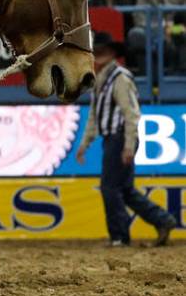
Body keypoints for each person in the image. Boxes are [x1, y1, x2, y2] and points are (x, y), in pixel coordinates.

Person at [76, 33, 177, 247]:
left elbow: (131, 113)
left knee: (110, 188)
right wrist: (85, 143)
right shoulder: (99, 79)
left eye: (103, 50)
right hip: (114, 138)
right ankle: (162, 220)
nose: (98, 55)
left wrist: (129, 145)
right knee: (125, 189)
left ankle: (119, 236)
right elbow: (94, 115)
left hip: (120, 137)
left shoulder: (120, 77)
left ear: (112, 53)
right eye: (97, 50)